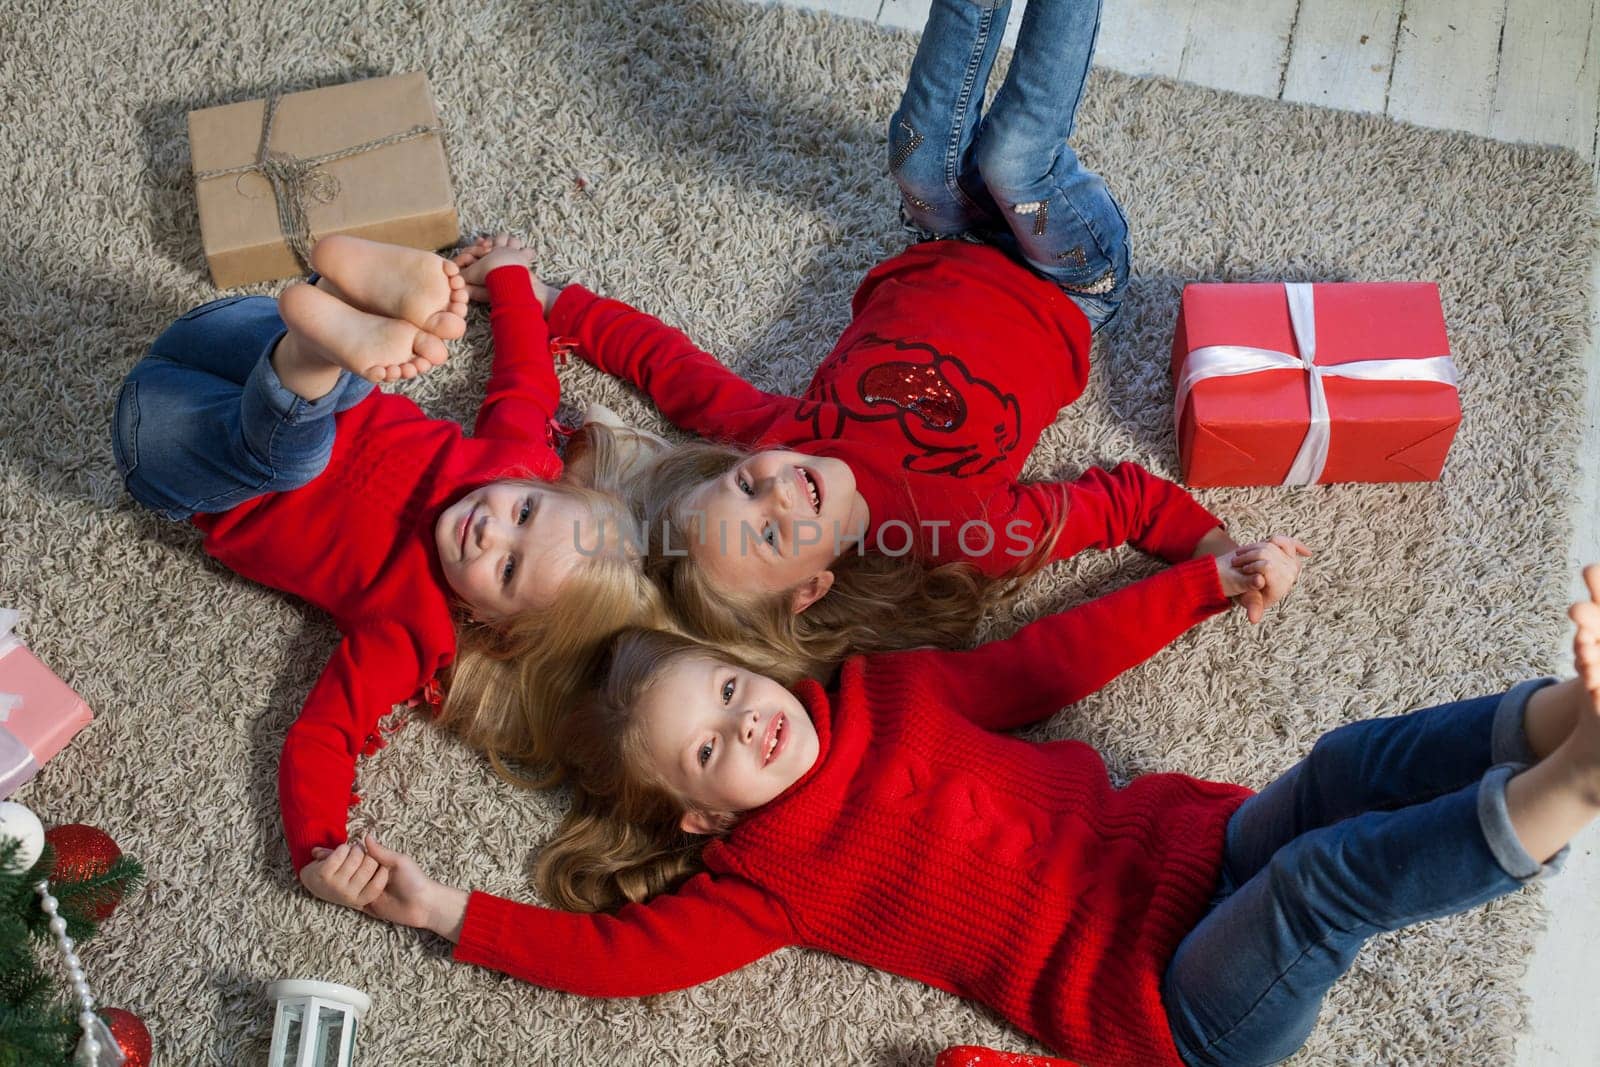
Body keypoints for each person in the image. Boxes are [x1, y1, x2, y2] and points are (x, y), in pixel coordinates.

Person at [313, 563, 1600, 1067]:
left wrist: (1197, 586)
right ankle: (1584, 777)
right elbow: (623, 960)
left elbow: (1050, 661)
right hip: (1166, 1002)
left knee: (1330, 773)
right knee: (1325, 882)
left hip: (1187, 845)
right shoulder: (772, 881)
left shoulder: (893, 689)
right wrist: (438, 907)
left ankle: (1555, 714)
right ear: (702, 816)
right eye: (709, 749)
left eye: (727, 690)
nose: (745, 721)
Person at [466, 0, 1310, 678]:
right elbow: (1122, 501)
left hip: (945, 242)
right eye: (769, 530)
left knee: (917, 147)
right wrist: (1216, 552)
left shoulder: (778, 437)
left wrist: (550, 301)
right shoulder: (965, 534)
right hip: (1067, 285)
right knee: (1014, 156)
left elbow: (667, 366)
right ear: (812, 587)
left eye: (740, 484)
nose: (770, 484)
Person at [109, 235, 663, 890]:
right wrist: (510, 278)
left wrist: (318, 853)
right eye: (524, 515)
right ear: (548, 483)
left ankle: (325, 330)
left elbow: (324, 736)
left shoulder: (412, 630)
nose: (491, 532)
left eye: (508, 571)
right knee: (334, 394)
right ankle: (328, 334)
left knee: (294, 455)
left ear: (490, 623)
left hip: (173, 439)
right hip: (238, 340)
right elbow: (525, 377)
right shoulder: (516, 458)